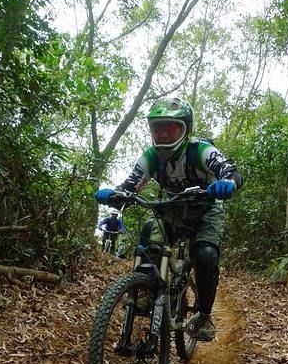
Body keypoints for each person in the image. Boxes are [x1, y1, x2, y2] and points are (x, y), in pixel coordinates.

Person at [95, 97, 243, 341]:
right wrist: (115, 194)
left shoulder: (200, 150)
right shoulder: (151, 157)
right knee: (150, 234)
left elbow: (229, 170)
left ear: (185, 130)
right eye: (158, 129)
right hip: (171, 209)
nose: (163, 134)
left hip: (206, 210)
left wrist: (227, 182)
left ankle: (204, 316)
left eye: (170, 128)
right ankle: (147, 290)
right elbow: (131, 184)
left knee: (205, 255)